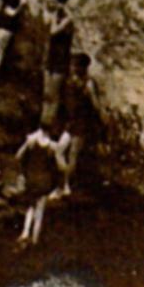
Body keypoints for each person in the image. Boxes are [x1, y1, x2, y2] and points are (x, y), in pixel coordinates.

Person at [15, 114, 71, 248]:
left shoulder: (31, 141)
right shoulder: (52, 146)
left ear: (39, 127)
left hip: (31, 178)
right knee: (40, 210)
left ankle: (24, 233)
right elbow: (61, 166)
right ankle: (35, 240)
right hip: (44, 181)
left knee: (30, 206)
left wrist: (23, 170)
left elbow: (18, 156)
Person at [53, 52, 99, 199]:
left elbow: (96, 106)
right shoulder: (71, 81)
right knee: (59, 151)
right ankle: (64, 184)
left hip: (82, 122)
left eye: (74, 65)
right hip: (71, 122)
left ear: (81, 67)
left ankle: (65, 186)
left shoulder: (88, 83)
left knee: (72, 155)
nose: (72, 68)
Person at [41, 0, 74, 124]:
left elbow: (53, 31)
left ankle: (48, 125)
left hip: (60, 60)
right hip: (51, 56)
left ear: (61, 4)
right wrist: (46, 7)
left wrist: (54, 14)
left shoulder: (68, 19)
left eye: (54, 2)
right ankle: (42, 122)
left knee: (53, 96)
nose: (51, 5)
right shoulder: (57, 15)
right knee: (46, 94)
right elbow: (45, 21)